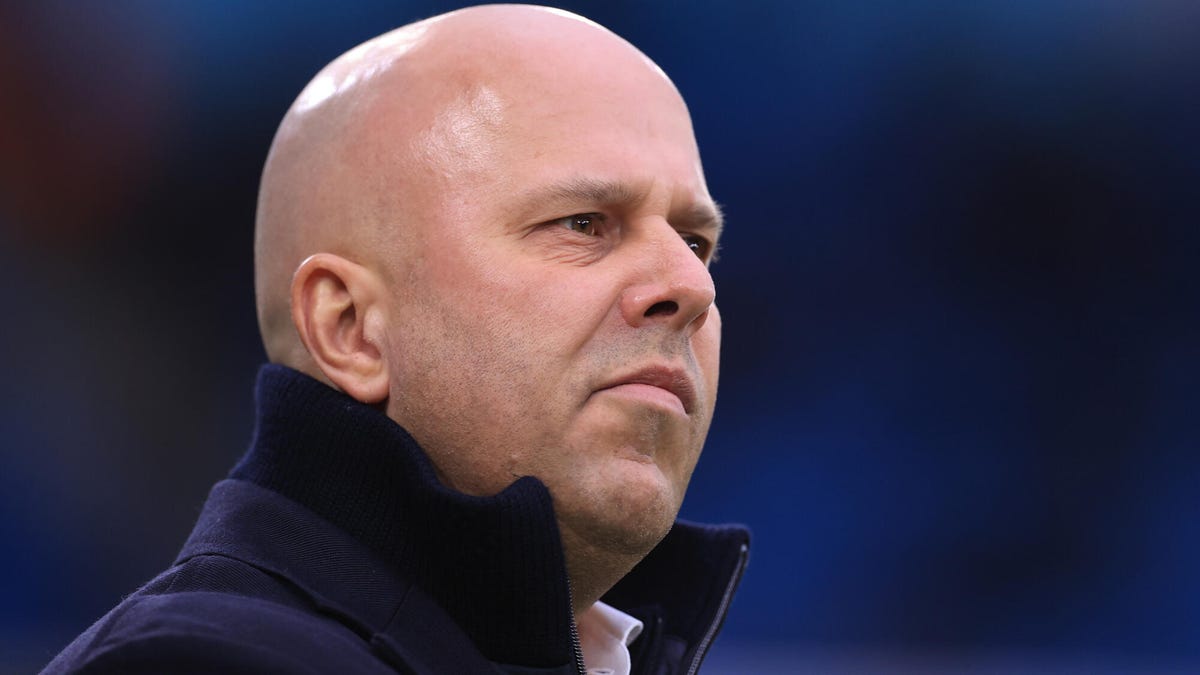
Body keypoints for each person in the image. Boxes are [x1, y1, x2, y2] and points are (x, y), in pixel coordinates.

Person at [43, 5, 749, 674]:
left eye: (695, 241)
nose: (692, 285)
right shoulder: (211, 661)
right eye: (583, 224)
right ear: (349, 328)